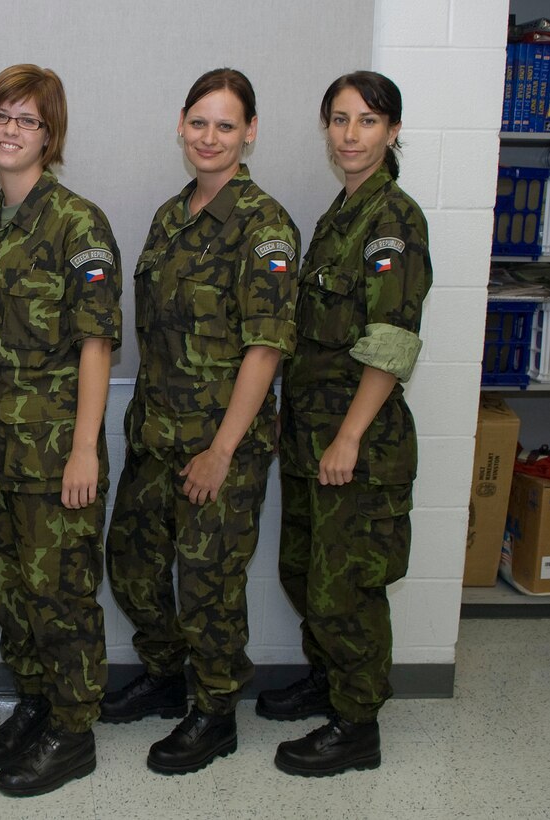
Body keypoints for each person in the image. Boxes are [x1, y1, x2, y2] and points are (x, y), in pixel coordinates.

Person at [102, 68, 298, 775]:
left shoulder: (263, 224)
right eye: (198, 123)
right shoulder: (169, 216)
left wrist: (221, 450)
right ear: (179, 126)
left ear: (249, 132)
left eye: (225, 125)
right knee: (131, 568)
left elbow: (265, 346)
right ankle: (163, 677)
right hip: (155, 440)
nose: (209, 138)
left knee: (209, 583)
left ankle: (214, 711)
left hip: (222, 447)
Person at [258, 70, 432, 777]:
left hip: (355, 446)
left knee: (346, 589)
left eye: (366, 121)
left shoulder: (392, 220)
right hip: (311, 438)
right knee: (304, 574)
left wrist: (350, 437)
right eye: (338, 119)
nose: (349, 134)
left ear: (391, 133)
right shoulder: (342, 214)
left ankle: (357, 723)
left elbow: (390, 339)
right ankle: (330, 681)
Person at [0, 64, 122, 797]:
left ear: (50, 137)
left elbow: (96, 343)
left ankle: (73, 730)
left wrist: (85, 447)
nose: (11, 130)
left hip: (56, 455)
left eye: (27, 120)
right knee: (7, 593)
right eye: (1, 116)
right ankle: (36, 701)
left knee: (61, 597)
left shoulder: (75, 222)